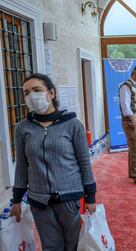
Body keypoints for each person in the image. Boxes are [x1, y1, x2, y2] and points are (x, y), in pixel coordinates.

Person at [10, 73, 97, 251]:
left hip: (69, 197)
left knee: (73, 245)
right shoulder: (22, 128)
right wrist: (16, 200)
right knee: (51, 246)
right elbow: (21, 166)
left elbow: (84, 163)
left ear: (51, 93)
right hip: (39, 200)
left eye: (37, 90)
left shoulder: (73, 125)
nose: (31, 96)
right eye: (26, 93)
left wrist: (91, 196)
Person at [119, 66, 136, 185]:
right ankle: (135, 175)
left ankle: (133, 172)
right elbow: (125, 106)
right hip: (131, 122)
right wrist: (134, 120)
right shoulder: (126, 86)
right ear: (134, 75)